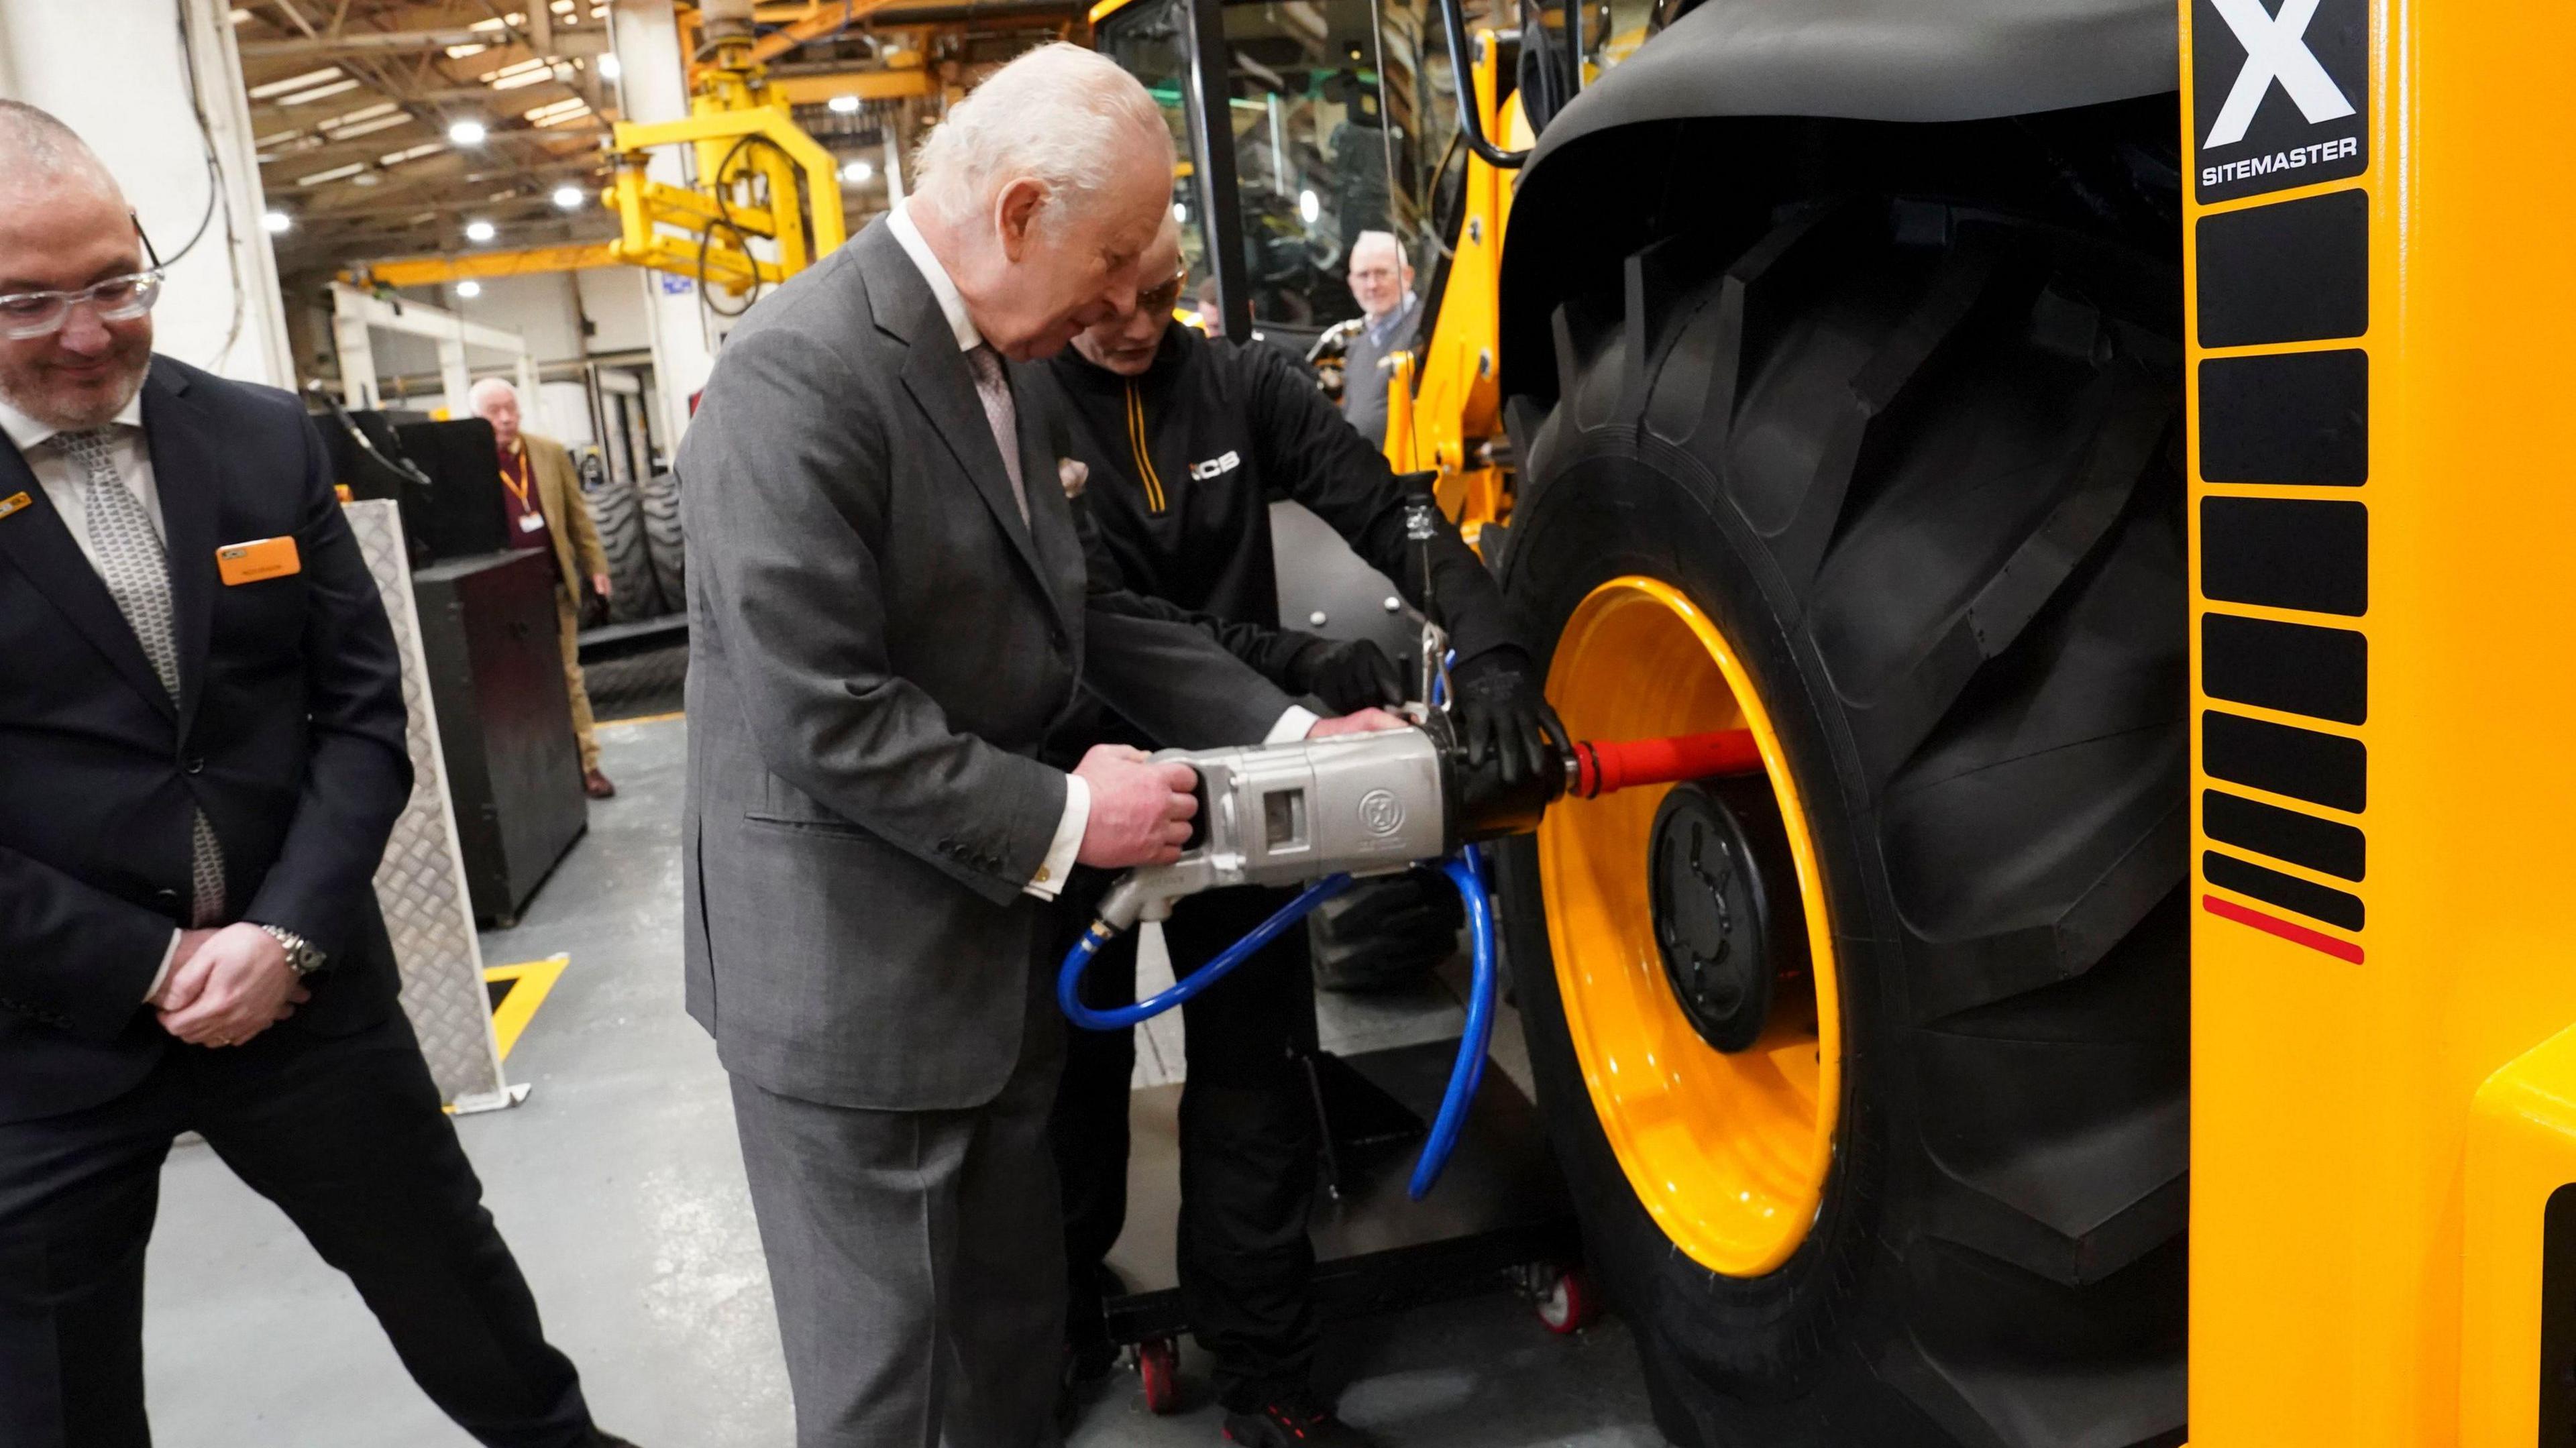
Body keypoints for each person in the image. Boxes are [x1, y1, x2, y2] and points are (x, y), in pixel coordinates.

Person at [675, 46, 1401, 1448]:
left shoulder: (988, 372)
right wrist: (1070, 819)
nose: (1130, 296)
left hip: (975, 972)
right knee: (911, 1390)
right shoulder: (801, 376)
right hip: (865, 999)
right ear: (1017, 214)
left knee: (1001, 1361)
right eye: (1115, 256)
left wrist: (1297, 731)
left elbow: (1080, 621)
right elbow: (820, 709)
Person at [0, 103, 635, 1448]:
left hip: (305, 998)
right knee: (53, 1396)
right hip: (41, 1040)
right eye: (27, 301)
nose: (85, 331)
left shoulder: (258, 437)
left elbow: (360, 711)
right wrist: (142, 962)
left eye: (116, 283)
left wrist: (285, 931)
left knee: (471, 1311)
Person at [1026, 218, 1564, 1446]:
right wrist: (1317, 667)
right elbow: (1121, 624)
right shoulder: (1023, 413)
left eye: (1163, 294)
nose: (1136, 323)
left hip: (1244, 778)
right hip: (1084, 780)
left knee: (1254, 1079)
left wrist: (1488, 645)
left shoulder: (1242, 384)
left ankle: (1268, 1368)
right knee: (1072, 1084)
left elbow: (1393, 513)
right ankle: (1056, 1318)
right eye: (1110, 300)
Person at [466, 376, 617, 799]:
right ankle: (528, 776)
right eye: (494, 412)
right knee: (508, 687)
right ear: (476, 418)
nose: (506, 418)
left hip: (552, 588)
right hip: (496, 598)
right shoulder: (469, 461)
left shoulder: (548, 453)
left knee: (569, 677)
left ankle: (588, 764)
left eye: (511, 407)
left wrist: (596, 566)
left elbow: (577, 517)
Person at [1338, 230, 1419, 449]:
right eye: (1363, 275)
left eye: (1382, 273)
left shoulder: (1427, 330)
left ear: (1408, 276)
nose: (1372, 285)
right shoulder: (1356, 348)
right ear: (1351, 283)